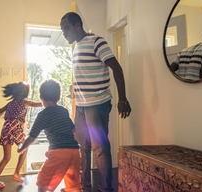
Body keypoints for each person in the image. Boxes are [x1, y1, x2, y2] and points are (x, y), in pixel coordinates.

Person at [60, 12, 132, 192]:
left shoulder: (96, 42)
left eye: (66, 28)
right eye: (62, 30)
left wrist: (122, 99)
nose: (64, 33)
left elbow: (117, 68)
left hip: (97, 104)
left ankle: (106, 188)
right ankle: (85, 186)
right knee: (82, 146)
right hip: (82, 106)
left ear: (78, 26)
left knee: (99, 148)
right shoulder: (76, 47)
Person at [17, 79, 80, 192]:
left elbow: (32, 136)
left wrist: (22, 147)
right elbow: (73, 129)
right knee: (73, 182)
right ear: (58, 97)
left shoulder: (43, 115)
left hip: (59, 152)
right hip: (74, 151)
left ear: (41, 98)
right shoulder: (63, 110)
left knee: (43, 181)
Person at [0, 82, 42, 192]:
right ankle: (16, 172)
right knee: (24, 148)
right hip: (16, 128)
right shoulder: (25, 102)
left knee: (6, 157)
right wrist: (51, 99)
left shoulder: (10, 104)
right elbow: (40, 104)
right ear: (25, 93)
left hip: (6, 128)